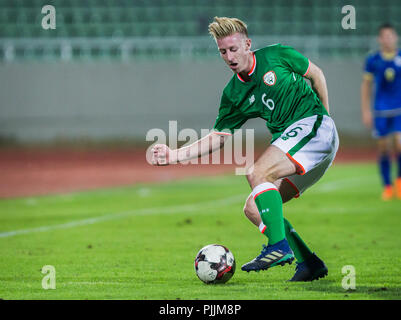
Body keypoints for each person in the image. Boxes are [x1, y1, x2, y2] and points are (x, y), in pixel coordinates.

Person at [151, 17, 339, 281]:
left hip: (313, 126)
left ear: (247, 44)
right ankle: (309, 263)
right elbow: (218, 137)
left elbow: (316, 74)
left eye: (233, 49)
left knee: (257, 173)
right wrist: (174, 155)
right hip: (301, 144)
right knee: (253, 207)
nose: (229, 56)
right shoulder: (233, 94)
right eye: (223, 52)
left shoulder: (276, 55)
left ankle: (278, 247)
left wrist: (325, 118)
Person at [361, 23, 401, 200]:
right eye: (384, 36)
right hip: (381, 111)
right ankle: (387, 186)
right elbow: (366, 86)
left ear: (396, 37)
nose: (388, 39)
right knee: (384, 149)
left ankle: (399, 182)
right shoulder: (373, 59)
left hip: (399, 109)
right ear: (380, 39)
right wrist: (366, 110)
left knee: (400, 144)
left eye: (391, 35)